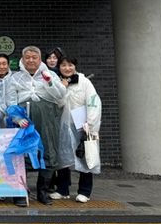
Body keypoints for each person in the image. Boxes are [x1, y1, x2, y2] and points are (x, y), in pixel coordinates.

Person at [6, 46, 66, 205]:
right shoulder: (15, 78)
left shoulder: (51, 74)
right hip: (24, 121)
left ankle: (43, 191)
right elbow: (10, 101)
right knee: (21, 154)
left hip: (47, 120)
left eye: (34, 57)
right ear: (22, 59)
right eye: (27, 57)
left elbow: (61, 95)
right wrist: (17, 118)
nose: (31, 60)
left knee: (48, 152)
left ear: (40, 60)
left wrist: (49, 82)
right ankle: (20, 192)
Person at [51, 56, 102, 203]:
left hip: (81, 122)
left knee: (85, 155)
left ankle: (85, 191)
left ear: (75, 66)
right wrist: (62, 88)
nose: (67, 68)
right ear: (59, 67)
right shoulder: (56, 82)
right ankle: (62, 189)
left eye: (70, 65)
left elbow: (93, 102)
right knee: (62, 157)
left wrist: (90, 124)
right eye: (63, 65)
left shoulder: (84, 82)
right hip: (63, 123)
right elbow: (55, 103)